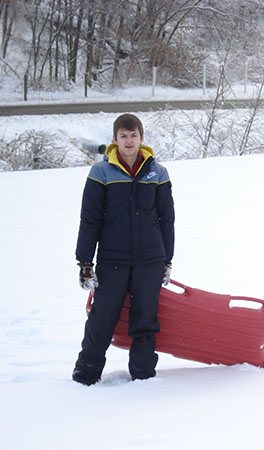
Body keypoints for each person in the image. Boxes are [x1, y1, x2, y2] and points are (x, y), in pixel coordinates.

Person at [73, 113, 175, 385]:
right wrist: (85, 262)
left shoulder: (158, 173)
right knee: (102, 318)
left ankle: (143, 378)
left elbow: (167, 218)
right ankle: (85, 376)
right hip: (112, 259)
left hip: (149, 259)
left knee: (145, 320)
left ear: (142, 138)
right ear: (114, 140)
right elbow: (90, 219)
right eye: (123, 136)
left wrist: (167, 260)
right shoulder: (101, 173)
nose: (129, 141)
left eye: (133, 136)